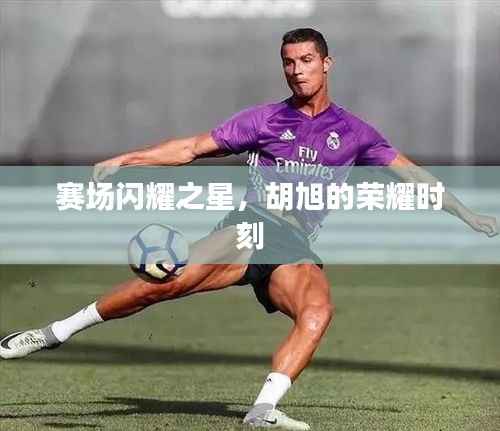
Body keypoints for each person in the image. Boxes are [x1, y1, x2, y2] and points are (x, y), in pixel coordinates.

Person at [1, 28, 497, 430]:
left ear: (327, 64)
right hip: (252, 228)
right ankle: (54, 332)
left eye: (306, 60)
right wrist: (128, 159)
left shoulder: (355, 133)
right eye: (289, 62)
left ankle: (263, 409)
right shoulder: (264, 120)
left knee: (317, 311)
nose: (297, 70)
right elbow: (191, 148)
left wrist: (467, 214)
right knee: (166, 283)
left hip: (293, 245)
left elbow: (413, 176)